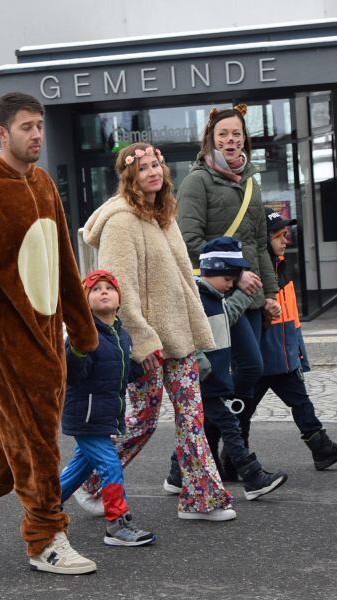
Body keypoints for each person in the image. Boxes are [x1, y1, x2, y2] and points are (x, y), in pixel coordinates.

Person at [0, 91, 100, 574]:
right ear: (2, 133)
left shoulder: (43, 183)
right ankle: (45, 537)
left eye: (40, 125)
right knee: (39, 439)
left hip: (47, 334)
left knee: (24, 434)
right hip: (5, 341)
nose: (37, 135)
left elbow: (64, 260)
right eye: (27, 127)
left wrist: (81, 326)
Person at [79, 141, 234, 521]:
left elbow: (182, 277)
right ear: (129, 176)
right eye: (143, 167)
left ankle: (201, 499)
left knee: (192, 418)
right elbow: (119, 288)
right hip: (146, 343)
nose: (152, 172)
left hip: (179, 338)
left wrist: (195, 326)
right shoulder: (120, 221)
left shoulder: (163, 215)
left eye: (156, 165)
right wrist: (142, 340)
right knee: (141, 422)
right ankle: (90, 482)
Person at [176, 105, 282, 473]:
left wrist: (270, 293)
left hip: (251, 294)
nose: (230, 140)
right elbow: (189, 240)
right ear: (211, 139)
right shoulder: (197, 181)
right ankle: (212, 452)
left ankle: (230, 451)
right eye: (223, 134)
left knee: (251, 371)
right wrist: (237, 274)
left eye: (236, 133)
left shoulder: (251, 179)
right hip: (216, 296)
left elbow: (258, 243)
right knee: (237, 372)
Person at [166, 237, 288, 502]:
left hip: (213, 380)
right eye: (228, 279)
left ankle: (176, 476)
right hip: (204, 380)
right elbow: (184, 335)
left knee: (194, 428)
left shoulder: (215, 297)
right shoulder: (197, 299)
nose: (231, 284)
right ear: (212, 271)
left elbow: (228, 316)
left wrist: (246, 295)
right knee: (229, 427)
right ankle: (253, 477)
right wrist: (200, 363)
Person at [248, 210, 337, 470]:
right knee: (242, 411)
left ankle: (321, 449)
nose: (285, 241)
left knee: (300, 401)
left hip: (281, 356)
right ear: (264, 240)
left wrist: (297, 351)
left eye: (285, 235)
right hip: (264, 357)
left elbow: (291, 319)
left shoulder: (280, 267)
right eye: (278, 236)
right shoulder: (260, 273)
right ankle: (228, 458)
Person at [59, 269, 155, 547]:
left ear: (119, 299)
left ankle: (45, 504)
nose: (104, 292)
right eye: (96, 289)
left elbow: (119, 372)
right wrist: (77, 352)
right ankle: (117, 523)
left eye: (109, 288)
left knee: (81, 468)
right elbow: (72, 374)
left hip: (105, 416)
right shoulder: (82, 334)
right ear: (85, 301)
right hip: (86, 416)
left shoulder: (121, 335)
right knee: (110, 465)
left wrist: (143, 366)